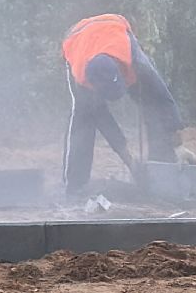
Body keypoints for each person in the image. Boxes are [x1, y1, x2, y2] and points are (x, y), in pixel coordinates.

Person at [61, 13, 183, 195]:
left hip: (114, 28)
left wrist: (176, 137)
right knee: (83, 119)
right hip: (78, 37)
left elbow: (160, 95)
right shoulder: (80, 77)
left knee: (152, 102)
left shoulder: (133, 57)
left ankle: (163, 167)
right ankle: (75, 185)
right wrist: (131, 162)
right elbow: (105, 122)